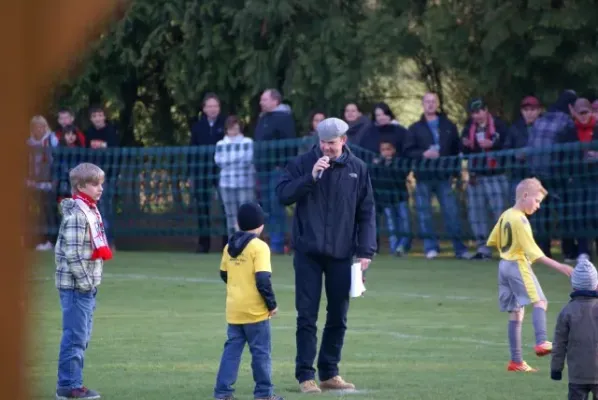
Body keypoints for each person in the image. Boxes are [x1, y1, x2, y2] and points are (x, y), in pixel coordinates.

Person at [276, 117, 377, 393]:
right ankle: (305, 376)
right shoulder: (301, 163)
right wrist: (310, 177)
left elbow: (366, 212)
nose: (326, 148)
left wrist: (366, 250)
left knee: (338, 316)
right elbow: (283, 194)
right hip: (308, 252)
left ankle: (329, 373)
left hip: (342, 254)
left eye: (331, 143)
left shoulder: (359, 169)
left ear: (343, 140)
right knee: (306, 316)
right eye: (322, 142)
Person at [486, 177, 572, 373]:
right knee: (540, 302)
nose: (538, 206)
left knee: (516, 312)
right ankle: (542, 341)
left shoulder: (506, 214)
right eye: (537, 200)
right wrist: (562, 267)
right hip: (517, 264)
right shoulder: (521, 219)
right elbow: (535, 253)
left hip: (504, 265)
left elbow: (493, 240)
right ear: (525, 195)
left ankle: (516, 362)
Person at [54, 163, 113, 400]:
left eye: (101, 183)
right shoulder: (79, 215)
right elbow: (73, 253)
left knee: (81, 337)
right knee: (75, 337)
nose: (100, 188)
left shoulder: (89, 210)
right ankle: (69, 386)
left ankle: (71, 383)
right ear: (80, 186)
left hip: (86, 287)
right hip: (78, 287)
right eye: (94, 184)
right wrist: (87, 282)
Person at [213, 202, 283, 400]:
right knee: (261, 353)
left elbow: (224, 274)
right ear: (260, 225)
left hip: (234, 310)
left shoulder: (229, 246)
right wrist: (271, 304)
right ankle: (264, 394)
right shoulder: (259, 247)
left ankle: (222, 393)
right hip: (255, 311)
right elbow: (263, 279)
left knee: (232, 352)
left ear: (238, 223)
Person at [551, 259, 598, 400]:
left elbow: (559, 344)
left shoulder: (567, 311)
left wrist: (556, 369)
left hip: (577, 375)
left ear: (574, 286)